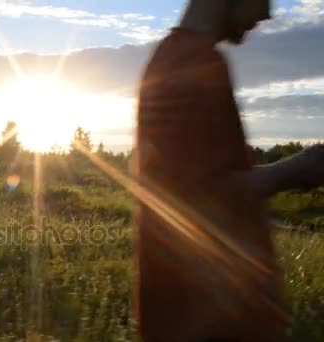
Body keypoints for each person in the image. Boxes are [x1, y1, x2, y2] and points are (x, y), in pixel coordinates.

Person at [133, 1, 324, 341]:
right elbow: (197, 197)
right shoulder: (190, 64)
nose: (267, 14)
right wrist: (293, 170)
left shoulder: (185, 58)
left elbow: (206, 179)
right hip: (203, 318)